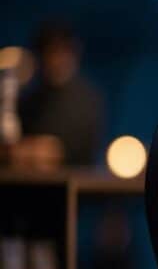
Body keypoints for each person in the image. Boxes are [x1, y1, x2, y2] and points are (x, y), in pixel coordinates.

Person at [17, 23, 103, 167]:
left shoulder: (88, 101)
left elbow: (84, 150)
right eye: (48, 52)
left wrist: (48, 151)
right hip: (29, 179)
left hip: (75, 181)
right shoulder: (29, 99)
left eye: (60, 51)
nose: (55, 60)